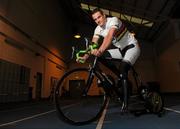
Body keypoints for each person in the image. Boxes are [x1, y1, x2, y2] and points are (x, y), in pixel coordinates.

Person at [77, 8, 140, 112]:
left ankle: (125, 102)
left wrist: (100, 50)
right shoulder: (97, 29)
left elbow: (109, 37)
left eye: (99, 17)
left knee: (123, 67)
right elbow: (93, 44)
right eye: (95, 19)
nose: (98, 20)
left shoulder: (113, 20)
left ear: (104, 16)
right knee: (100, 56)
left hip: (132, 47)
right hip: (121, 50)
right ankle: (119, 75)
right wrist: (86, 56)